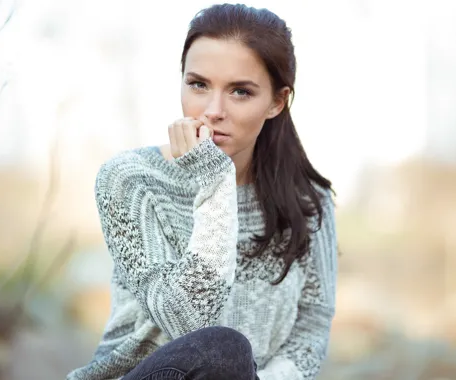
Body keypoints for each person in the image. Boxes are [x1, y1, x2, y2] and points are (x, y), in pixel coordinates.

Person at [67, 3, 338, 380]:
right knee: (223, 349)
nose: (213, 110)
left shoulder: (309, 201)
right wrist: (214, 182)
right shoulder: (131, 179)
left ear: (276, 102)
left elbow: (311, 329)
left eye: (240, 92)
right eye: (198, 85)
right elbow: (188, 320)